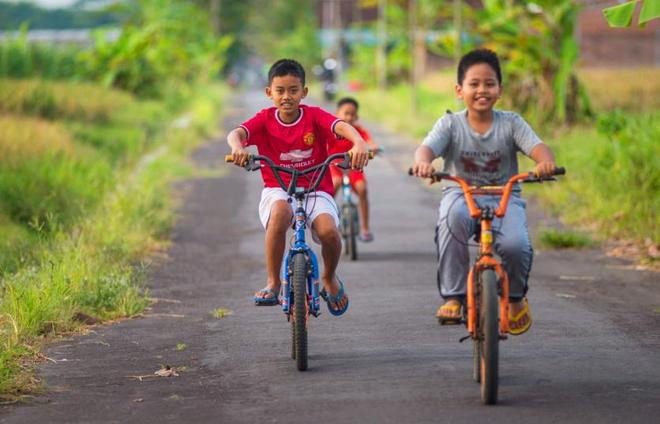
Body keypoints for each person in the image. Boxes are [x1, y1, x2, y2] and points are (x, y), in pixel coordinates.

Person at [410, 48, 557, 335]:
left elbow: (538, 147)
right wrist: (423, 163)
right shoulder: (450, 124)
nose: (481, 90)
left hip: (503, 195)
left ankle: (514, 297)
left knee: (517, 245)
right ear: (459, 90)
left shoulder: (511, 123)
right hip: (460, 194)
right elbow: (426, 148)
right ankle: (453, 296)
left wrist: (545, 163)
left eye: (489, 84)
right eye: (473, 84)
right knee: (450, 224)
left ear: (500, 90)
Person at [227, 59, 370, 315]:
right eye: (280, 90)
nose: (286, 97)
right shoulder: (264, 119)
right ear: (269, 92)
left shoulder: (314, 116)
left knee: (330, 233)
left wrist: (358, 143)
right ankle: (273, 282)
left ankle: (329, 277)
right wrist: (238, 149)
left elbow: (341, 126)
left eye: (293, 90)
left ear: (304, 92)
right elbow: (236, 134)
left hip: (316, 187)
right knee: (280, 213)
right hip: (279, 188)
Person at [329, 97, 379, 242]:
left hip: (353, 167)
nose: (349, 117)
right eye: (346, 113)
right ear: (337, 113)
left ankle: (365, 228)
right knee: (335, 183)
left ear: (356, 116)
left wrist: (373, 148)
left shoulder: (358, 131)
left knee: (362, 189)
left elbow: (370, 142)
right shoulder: (332, 130)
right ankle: (329, 218)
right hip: (335, 166)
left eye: (352, 114)